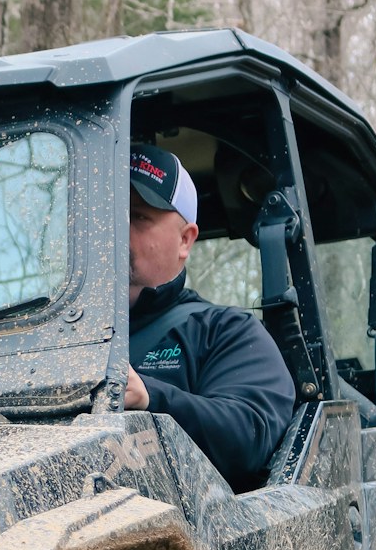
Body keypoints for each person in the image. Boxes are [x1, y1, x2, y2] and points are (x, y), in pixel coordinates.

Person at [124, 144, 296, 491]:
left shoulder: (226, 332)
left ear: (185, 240)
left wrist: (151, 399)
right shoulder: (47, 338)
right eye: (107, 215)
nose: (116, 231)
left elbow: (248, 436)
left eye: (138, 216)